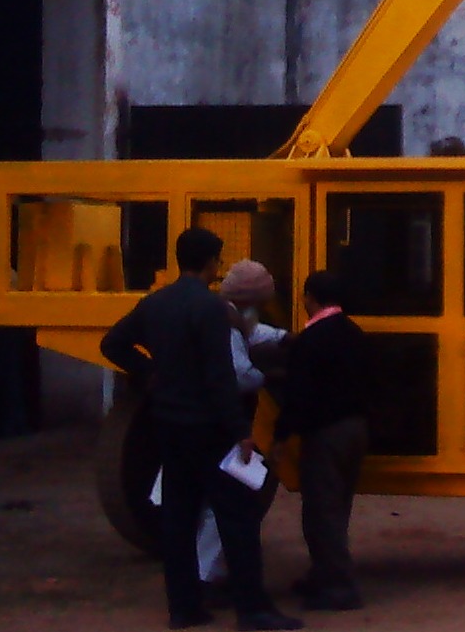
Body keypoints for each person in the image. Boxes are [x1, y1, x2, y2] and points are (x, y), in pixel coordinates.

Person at [101, 227, 303, 632]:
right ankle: (253, 610)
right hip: (211, 427)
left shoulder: (156, 304)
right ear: (212, 262)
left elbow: (112, 344)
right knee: (239, 516)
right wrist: (239, 430)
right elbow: (219, 375)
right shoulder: (211, 310)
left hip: (169, 424)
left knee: (178, 517)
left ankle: (184, 608)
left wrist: (148, 373)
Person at [275, 268, 370, 611]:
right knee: (337, 506)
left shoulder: (311, 340)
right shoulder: (354, 334)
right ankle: (323, 574)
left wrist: (282, 435)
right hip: (355, 429)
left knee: (321, 511)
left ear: (308, 299)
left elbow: (298, 395)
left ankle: (339, 585)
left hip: (325, 434)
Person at [196, 261, 291, 596]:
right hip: (221, 422)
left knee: (210, 504)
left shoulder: (231, 314)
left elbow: (255, 331)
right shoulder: (227, 325)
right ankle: (208, 578)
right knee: (222, 505)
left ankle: (208, 574)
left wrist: (285, 338)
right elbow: (239, 373)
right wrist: (269, 377)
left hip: (204, 420)